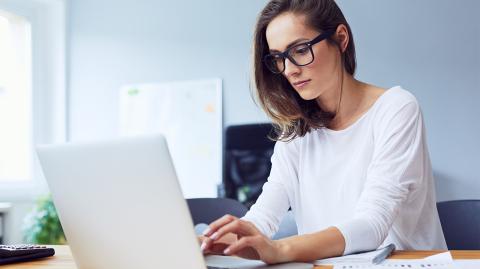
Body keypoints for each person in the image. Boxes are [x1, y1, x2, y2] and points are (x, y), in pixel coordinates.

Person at [200, 0, 447, 264]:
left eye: (300, 49)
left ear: (340, 39)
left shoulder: (396, 108)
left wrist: (280, 249)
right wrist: (205, 243)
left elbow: (372, 225)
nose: (290, 69)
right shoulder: (296, 129)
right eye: (278, 58)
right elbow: (262, 219)